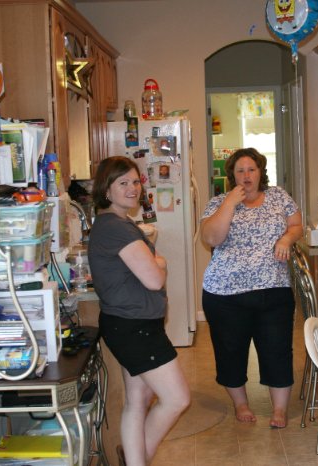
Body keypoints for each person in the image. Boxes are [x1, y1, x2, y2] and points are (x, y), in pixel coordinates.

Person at [88, 156, 190, 465]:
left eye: (135, 182)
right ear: (107, 190)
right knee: (177, 399)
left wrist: (153, 261)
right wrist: (160, 262)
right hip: (135, 327)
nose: (133, 189)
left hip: (127, 322)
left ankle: (134, 460)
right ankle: (138, 457)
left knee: (138, 399)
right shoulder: (116, 228)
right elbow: (154, 276)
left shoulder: (116, 223)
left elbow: (145, 266)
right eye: (123, 183)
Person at [200, 147, 303, 428]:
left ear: (260, 172)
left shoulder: (278, 196)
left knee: (277, 349)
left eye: (252, 169)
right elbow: (211, 238)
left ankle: (279, 410)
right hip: (225, 294)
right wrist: (230, 204)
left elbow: (296, 225)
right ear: (232, 175)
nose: (246, 176)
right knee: (230, 352)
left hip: (274, 290)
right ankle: (241, 404)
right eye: (240, 171)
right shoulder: (218, 203)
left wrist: (286, 240)